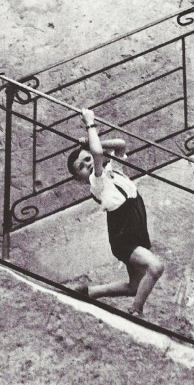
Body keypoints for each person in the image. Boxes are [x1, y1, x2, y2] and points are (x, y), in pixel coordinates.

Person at [66, 108, 164, 317]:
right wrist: (90, 123)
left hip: (137, 230)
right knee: (156, 267)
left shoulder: (112, 168)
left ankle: (89, 292)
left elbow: (120, 144)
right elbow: (97, 154)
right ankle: (135, 311)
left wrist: (92, 143)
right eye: (81, 167)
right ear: (79, 178)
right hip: (124, 237)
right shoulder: (97, 182)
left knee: (135, 286)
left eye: (87, 159)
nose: (87, 165)